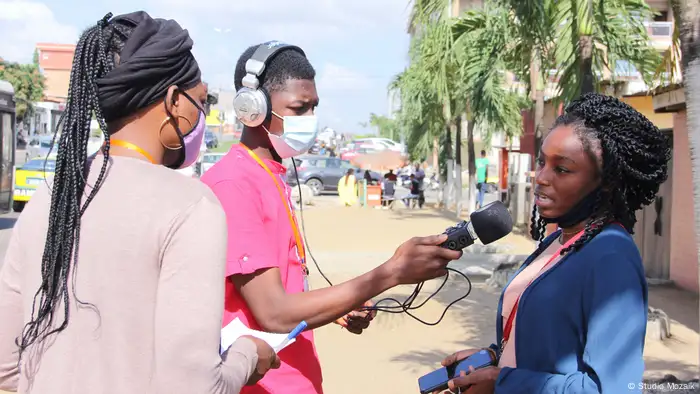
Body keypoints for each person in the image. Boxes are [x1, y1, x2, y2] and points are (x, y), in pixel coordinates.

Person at [0, 12, 279, 393]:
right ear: (174, 103)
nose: (202, 115)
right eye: (201, 102)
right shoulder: (190, 206)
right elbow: (195, 387)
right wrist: (249, 353)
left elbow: (8, 368)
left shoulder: (48, 199)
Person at [201, 42, 463, 394]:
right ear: (253, 109)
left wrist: (340, 305)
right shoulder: (234, 184)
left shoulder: (269, 174)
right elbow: (274, 313)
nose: (309, 120)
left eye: (313, 108)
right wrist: (392, 273)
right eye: (298, 108)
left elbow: (282, 293)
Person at [437, 93, 671, 393]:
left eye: (562, 169)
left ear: (607, 181)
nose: (542, 178)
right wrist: (494, 358)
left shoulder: (611, 256)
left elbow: (611, 388)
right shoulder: (558, 241)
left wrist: (502, 383)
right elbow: (551, 341)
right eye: (542, 162)